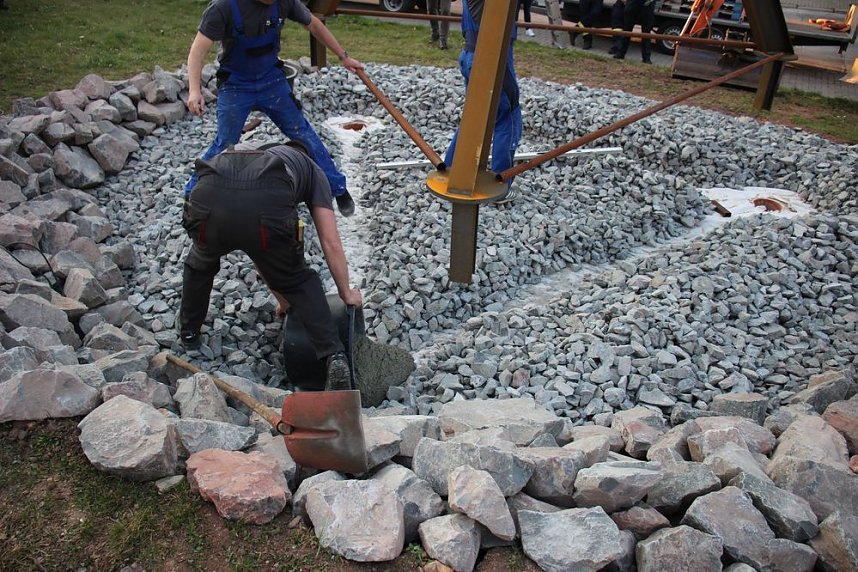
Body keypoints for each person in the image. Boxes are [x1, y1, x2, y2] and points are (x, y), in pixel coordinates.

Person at [178, 141, 362, 391]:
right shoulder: (311, 169)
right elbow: (330, 241)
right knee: (298, 280)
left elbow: (259, 253)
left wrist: (283, 302)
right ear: (303, 153)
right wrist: (345, 292)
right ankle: (334, 355)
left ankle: (189, 333)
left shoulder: (254, 154)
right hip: (266, 204)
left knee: (199, 265)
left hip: (208, 195)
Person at [184, 0, 363, 217]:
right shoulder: (223, 7)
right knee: (225, 143)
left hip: (272, 82)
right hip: (236, 85)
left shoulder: (285, 2)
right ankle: (192, 192)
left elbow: (314, 25)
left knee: (303, 134)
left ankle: (338, 189)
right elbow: (197, 51)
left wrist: (344, 57)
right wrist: (194, 90)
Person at [444, 0, 523, 204]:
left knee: (474, 116)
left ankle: (451, 171)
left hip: (471, 52)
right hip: (492, 55)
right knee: (507, 117)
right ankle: (501, 184)